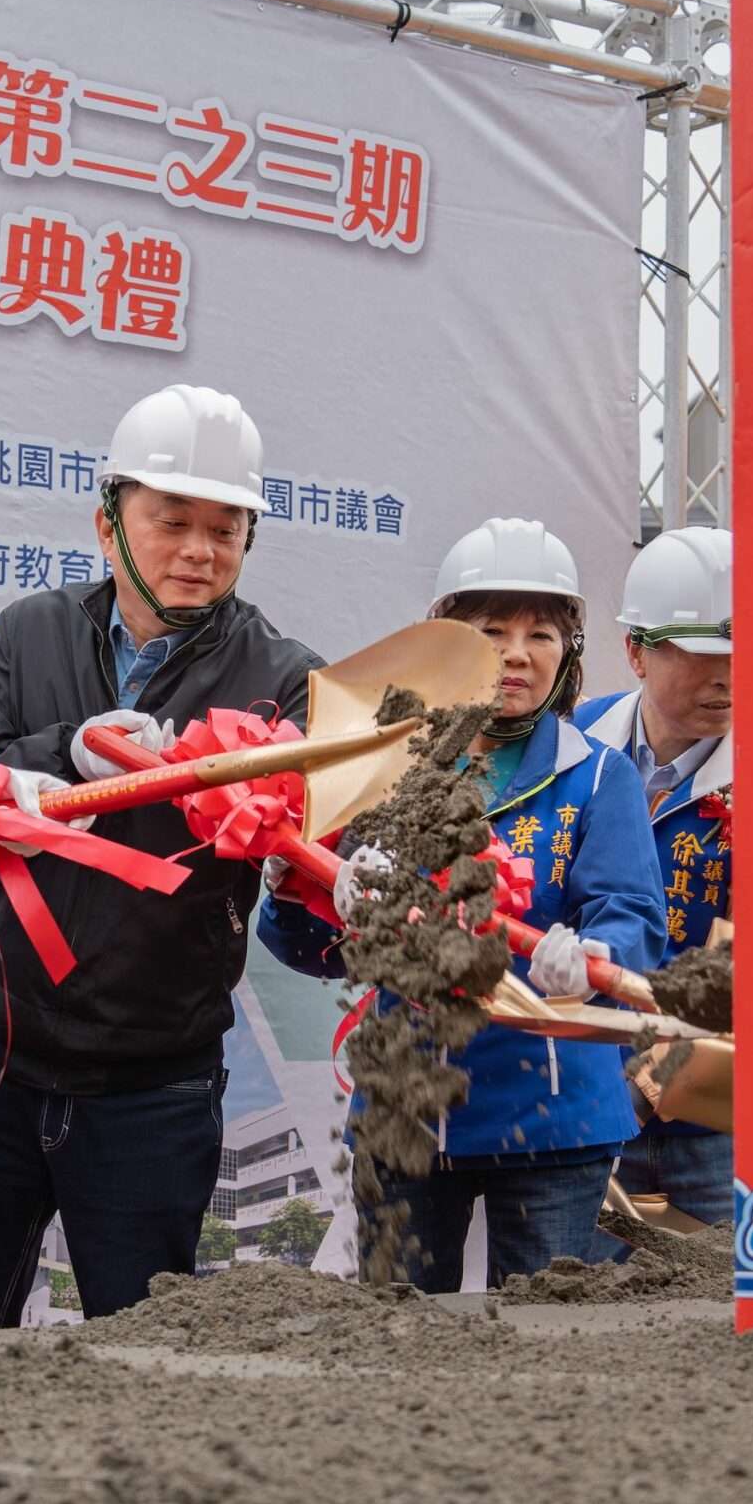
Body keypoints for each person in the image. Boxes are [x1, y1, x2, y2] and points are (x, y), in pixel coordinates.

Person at [0, 384, 320, 1329]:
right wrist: (68, 755)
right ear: (108, 524)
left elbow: (311, 835)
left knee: (139, 1357)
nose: (198, 551)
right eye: (171, 520)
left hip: (155, 1083)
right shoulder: (31, 631)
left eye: (226, 529)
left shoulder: (283, 677)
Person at [258, 517, 664, 1291]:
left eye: (542, 633)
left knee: (545, 1343)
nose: (517, 653)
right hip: (405, 1109)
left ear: (568, 653)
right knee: (400, 1343)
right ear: (443, 639)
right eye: (490, 630)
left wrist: (590, 956)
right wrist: (307, 890)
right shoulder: (382, 767)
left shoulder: (600, 777)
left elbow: (634, 921)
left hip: (554, 1114)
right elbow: (307, 947)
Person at [573, 525, 736, 1225]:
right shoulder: (571, 747)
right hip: (581, 1100)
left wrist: (646, 1083)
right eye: (699, 656)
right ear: (635, 650)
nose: (725, 677)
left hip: (714, 1124)